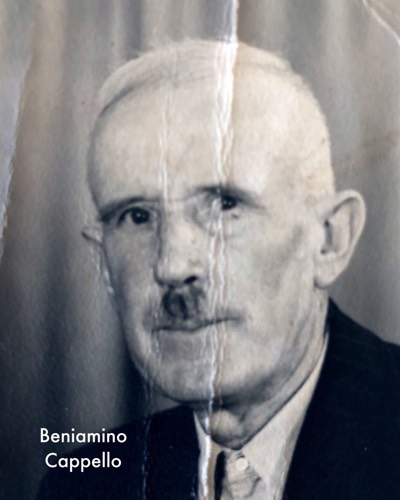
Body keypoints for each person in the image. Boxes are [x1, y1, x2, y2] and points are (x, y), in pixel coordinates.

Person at [37, 40, 400, 499]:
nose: (173, 266)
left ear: (330, 239)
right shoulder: (82, 486)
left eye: (225, 204)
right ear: (103, 264)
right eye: (137, 216)